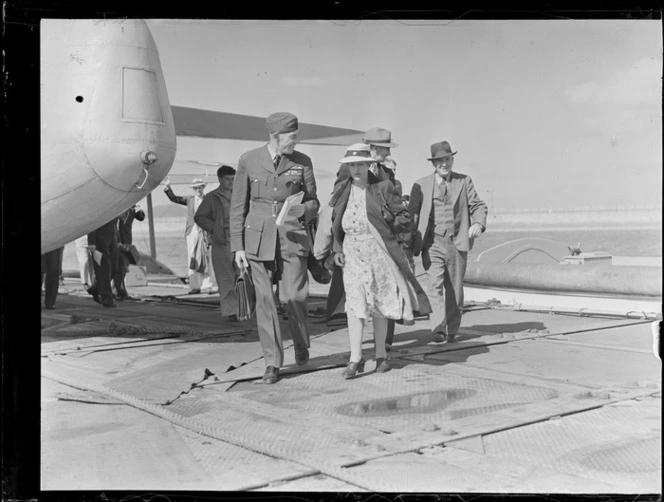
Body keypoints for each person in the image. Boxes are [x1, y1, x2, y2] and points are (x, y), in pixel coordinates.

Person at [230, 111, 319, 384]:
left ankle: (301, 342)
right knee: (265, 303)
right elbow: (237, 206)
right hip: (257, 240)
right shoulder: (249, 160)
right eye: (292, 137)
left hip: (292, 236)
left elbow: (315, 202)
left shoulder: (302, 161)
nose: (296, 141)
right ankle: (272, 362)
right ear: (276, 137)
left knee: (293, 297)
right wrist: (238, 247)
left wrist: (302, 208)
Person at [329, 143, 431, 379]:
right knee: (355, 305)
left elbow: (405, 219)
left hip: (378, 251)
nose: (356, 169)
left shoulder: (383, 187)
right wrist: (336, 248)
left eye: (360, 165)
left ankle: (381, 355)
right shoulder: (343, 189)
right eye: (352, 165)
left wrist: (388, 220)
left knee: (379, 304)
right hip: (352, 253)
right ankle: (355, 358)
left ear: (369, 165)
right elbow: (334, 221)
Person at [409, 140, 488, 343]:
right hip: (431, 243)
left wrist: (478, 224)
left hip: (457, 243)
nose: (444, 164)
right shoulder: (421, 185)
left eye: (447, 159)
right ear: (433, 164)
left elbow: (478, 206)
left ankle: (452, 330)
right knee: (434, 286)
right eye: (439, 161)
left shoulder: (464, 181)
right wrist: (408, 242)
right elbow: (412, 216)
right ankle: (438, 329)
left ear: (452, 159)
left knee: (454, 289)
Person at [194, 165, 240, 321]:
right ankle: (231, 312)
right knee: (225, 278)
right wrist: (215, 228)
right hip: (221, 241)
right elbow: (199, 217)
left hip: (240, 239)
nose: (231, 182)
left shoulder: (240, 195)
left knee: (243, 276)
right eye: (227, 179)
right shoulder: (211, 197)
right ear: (220, 179)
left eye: (233, 179)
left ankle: (245, 309)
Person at [164, 177, 216, 294]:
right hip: (192, 231)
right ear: (193, 189)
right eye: (196, 188)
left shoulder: (208, 200)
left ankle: (206, 286)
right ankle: (195, 286)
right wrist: (167, 187)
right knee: (192, 258)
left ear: (203, 187)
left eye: (200, 187)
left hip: (204, 232)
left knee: (204, 258)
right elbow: (174, 198)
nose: (198, 189)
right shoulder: (190, 199)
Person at [114, 204, 145, 299]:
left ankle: (117, 289)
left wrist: (136, 209)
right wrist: (118, 241)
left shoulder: (130, 211)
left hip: (127, 242)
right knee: (120, 267)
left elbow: (141, 217)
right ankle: (119, 291)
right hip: (120, 242)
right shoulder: (118, 211)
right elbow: (115, 227)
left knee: (123, 267)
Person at [87, 218, 120, 308]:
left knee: (114, 268)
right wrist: (91, 242)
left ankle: (96, 288)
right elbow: (93, 219)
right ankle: (107, 299)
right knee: (104, 270)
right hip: (99, 238)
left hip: (112, 235)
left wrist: (118, 238)